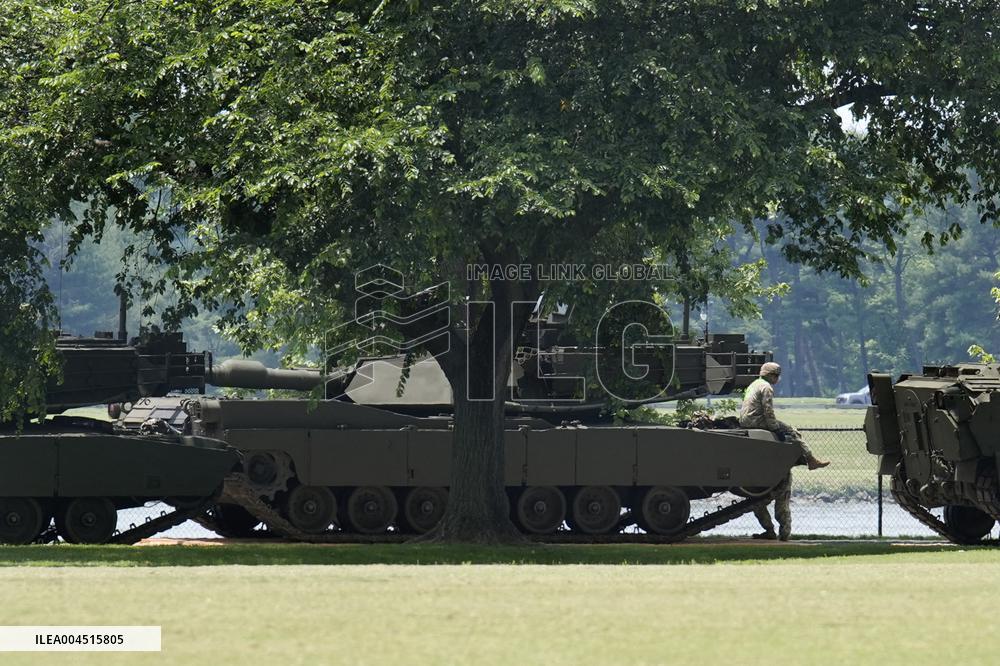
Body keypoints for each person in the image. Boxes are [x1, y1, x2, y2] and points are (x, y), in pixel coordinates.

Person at [739, 361, 830, 541]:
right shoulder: (766, 388)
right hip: (758, 421)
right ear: (772, 375)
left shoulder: (753, 384)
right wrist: (776, 429)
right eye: (776, 376)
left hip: (746, 422)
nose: (777, 379)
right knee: (792, 432)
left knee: (758, 503)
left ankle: (769, 530)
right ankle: (811, 459)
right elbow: (768, 411)